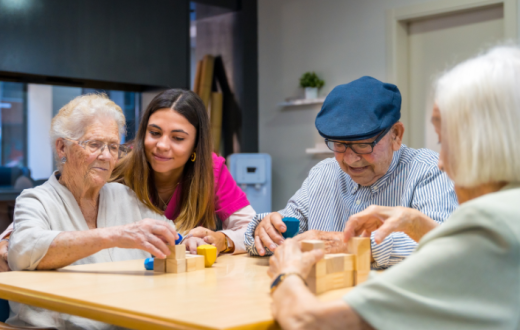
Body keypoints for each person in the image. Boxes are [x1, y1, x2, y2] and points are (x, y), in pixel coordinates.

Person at [267, 45, 520, 330]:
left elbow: (308, 322)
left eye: (444, 141)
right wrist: (419, 224)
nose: (442, 162)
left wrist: (286, 276)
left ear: (485, 144)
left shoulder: (489, 223)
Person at [246, 76, 457, 269]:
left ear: (396, 135)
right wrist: (265, 230)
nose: (350, 159)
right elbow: (286, 224)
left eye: (363, 145)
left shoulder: (428, 170)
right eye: (339, 145)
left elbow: (445, 243)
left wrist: (353, 246)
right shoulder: (323, 173)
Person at [7, 94, 178, 329]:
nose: (107, 156)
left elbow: (170, 235)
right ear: (62, 148)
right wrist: (114, 236)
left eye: (113, 147)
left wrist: (191, 241)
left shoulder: (124, 196)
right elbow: (24, 250)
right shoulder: (36, 200)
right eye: (95, 144)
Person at [111, 89, 254, 254]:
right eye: (154, 133)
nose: (162, 145)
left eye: (178, 138)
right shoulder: (116, 164)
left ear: (196, 145)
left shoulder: (210, 169)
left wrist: (221, 240)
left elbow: (251, 230)